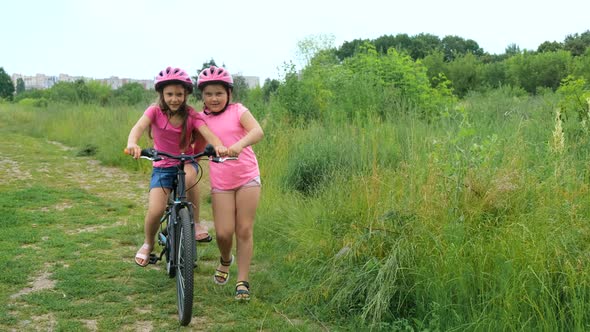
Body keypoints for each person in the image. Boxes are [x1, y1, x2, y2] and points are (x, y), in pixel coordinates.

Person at [127, 66, 226, 267]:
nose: (174, 99)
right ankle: (148, 243)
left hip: (186, 161)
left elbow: (208, 133)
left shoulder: (191, 115)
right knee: (155, 211)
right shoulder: (154, 111)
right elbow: (137, 128)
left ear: (186, 94)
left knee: (190, 178)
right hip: (162, 165)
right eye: (170, 94)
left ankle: (196, 223)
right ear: (162, 93)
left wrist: (219, 146)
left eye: (179, 94)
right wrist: (132, 143)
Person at [196, 66, 264, 301]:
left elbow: (257, 131)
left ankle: (242, 281)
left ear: (229, 94)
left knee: (244, 229)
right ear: (202, 96)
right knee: (224, 233)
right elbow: (195, 144)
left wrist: (239, 145)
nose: (214, 98)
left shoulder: (238, 111)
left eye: (219, 93)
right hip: (221, 182)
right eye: (208, 94)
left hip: (247, 177)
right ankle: (226, 259)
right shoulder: (201, 119)